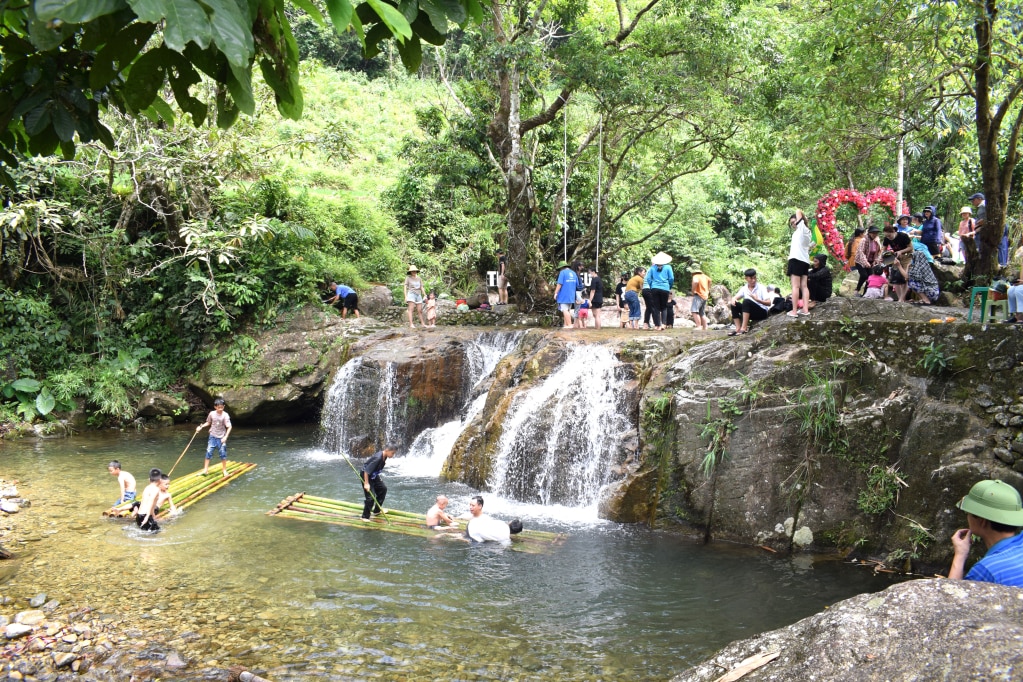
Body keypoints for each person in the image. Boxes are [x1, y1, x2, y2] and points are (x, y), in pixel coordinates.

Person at [948, 479, 1023, 587]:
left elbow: (952, 598)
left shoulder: (986, 570)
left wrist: (960, 555)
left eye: (967, 512)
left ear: (982, 521)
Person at [728, 268, 772, 336]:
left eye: (755, 278)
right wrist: (733, 299)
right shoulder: (744, 288)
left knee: (746, 301)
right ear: (746, 279)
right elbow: (736, 297)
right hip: (750, 313)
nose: (753, 280)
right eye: (751, 278)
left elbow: (769, 303)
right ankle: (737, 328)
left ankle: (744, 328)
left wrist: (758, 300)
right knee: (734, 304)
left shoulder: (761, 287)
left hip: (761, 312)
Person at [360, 444, 397, 520]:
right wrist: (366, 483)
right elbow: (366, 471)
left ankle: (376, 511)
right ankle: (365, 517)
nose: (393, 455)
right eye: (392, 453)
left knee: (383, 489)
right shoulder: (378, 458)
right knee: (370, 497)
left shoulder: (385, 456)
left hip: (373, 474)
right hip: (366, 475)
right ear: (387, 450)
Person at [196, 397, 232, 478]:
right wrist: (201, 427)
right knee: (209, 452)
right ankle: (205, 470)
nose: (220, 409)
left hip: (221, 437)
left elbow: (229, 427)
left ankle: (224, 470)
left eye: (222, 407)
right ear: (215, 407)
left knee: (223, 453)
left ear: (224, 406)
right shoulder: (212, 414)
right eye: (218, 407)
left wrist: (226, 437)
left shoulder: (225, 415)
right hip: (212, 436)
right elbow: (208, 422)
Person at [786, 210, 812, 318]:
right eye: (791, 223)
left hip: (796, 260)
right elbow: (807, 246)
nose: (793, 224)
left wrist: (799, 214)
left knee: (795, 286)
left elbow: (798, 212)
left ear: (800, 220)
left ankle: (794, 311)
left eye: (794, 222)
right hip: (805, 261)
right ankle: (805, 309)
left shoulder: (802, 228)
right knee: (804, 286)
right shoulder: (806, 232)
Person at [644, 252, 675, 330]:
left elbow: (648, 278)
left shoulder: (652, 268)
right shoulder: (668, 267)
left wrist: (652, 286)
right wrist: (669, 286)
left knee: (656, 307)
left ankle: (657, 325)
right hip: (665, 288)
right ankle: (664, 324)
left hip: (654, 288)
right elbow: (671, 278)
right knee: (664, 306)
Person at [882, 225, 913, 302]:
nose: (888, 237)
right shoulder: (886, 238)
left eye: (889, 235)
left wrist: (901, 251)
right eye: (886, 236)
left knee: (905, 277)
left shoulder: (903, 236)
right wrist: (882, 256)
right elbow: (884, 249)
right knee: (895, 278)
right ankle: (900, 298)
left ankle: (902, 297)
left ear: (893, 232)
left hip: (907, 257)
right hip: (896, 258)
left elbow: (911, 247)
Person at [855, 226, 882, 295]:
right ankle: (857, 290)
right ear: (869, 233)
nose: (874, 235)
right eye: (873, 233)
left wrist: (876, 260)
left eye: (876, 233)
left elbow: (878, 252)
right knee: (864, 275)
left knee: (870, 277)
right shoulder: (864, 240)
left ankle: (865, 293)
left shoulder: (877, 241)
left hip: (871, 261)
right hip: (860, 261)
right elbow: (861, 252)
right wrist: (865, 262)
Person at [553, 260, 580, 329]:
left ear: (562, 267)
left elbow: (559, 284)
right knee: (567, 310)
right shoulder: (573, 273)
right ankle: (565, 325)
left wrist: (555, 293)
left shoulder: (562, 273)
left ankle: (570, 325)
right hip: (571, 295)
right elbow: (577, 284)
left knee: (565, 310)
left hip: (563, 295)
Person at [690, 264, 711, 330]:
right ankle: (705, 327)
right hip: (705, 295)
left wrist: (693, 291)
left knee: (694, 311)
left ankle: (699, 326)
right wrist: (708, 289)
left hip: (699, 295)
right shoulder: (704, 276)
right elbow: (710, 280)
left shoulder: (695, 276)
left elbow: (695, 282)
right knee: (702, 312)